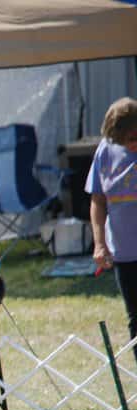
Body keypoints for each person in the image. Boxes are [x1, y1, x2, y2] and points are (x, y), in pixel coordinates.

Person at [87, 97, 137, 361]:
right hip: (124, 253)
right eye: (125, 139)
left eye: (135, 136)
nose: (132, 144)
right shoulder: (106, 151)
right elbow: (97, 200)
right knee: (135, 319)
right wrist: (99, 243)